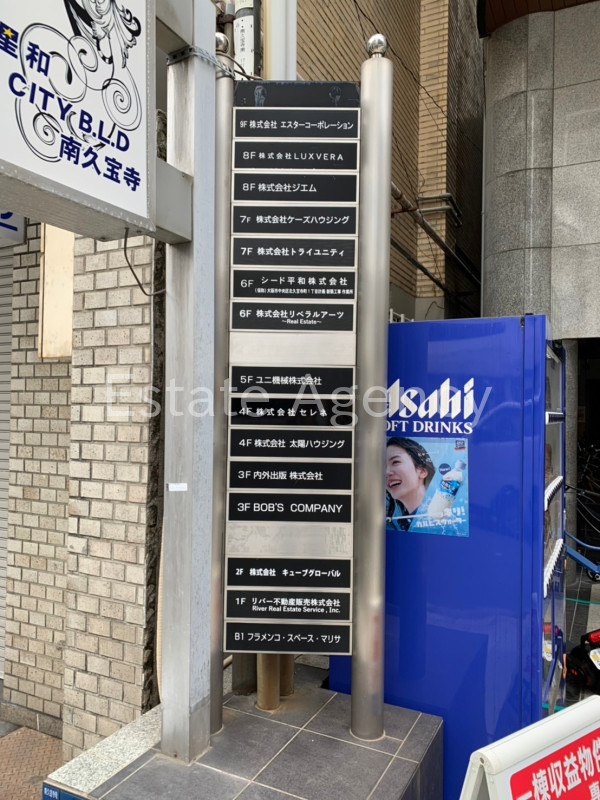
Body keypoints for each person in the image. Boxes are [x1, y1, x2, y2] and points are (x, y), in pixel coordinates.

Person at [386, 437, 435, 531]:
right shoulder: (404, 524)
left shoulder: (440, 518)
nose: (387, 472)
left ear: (422, 471)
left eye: (395, 462)